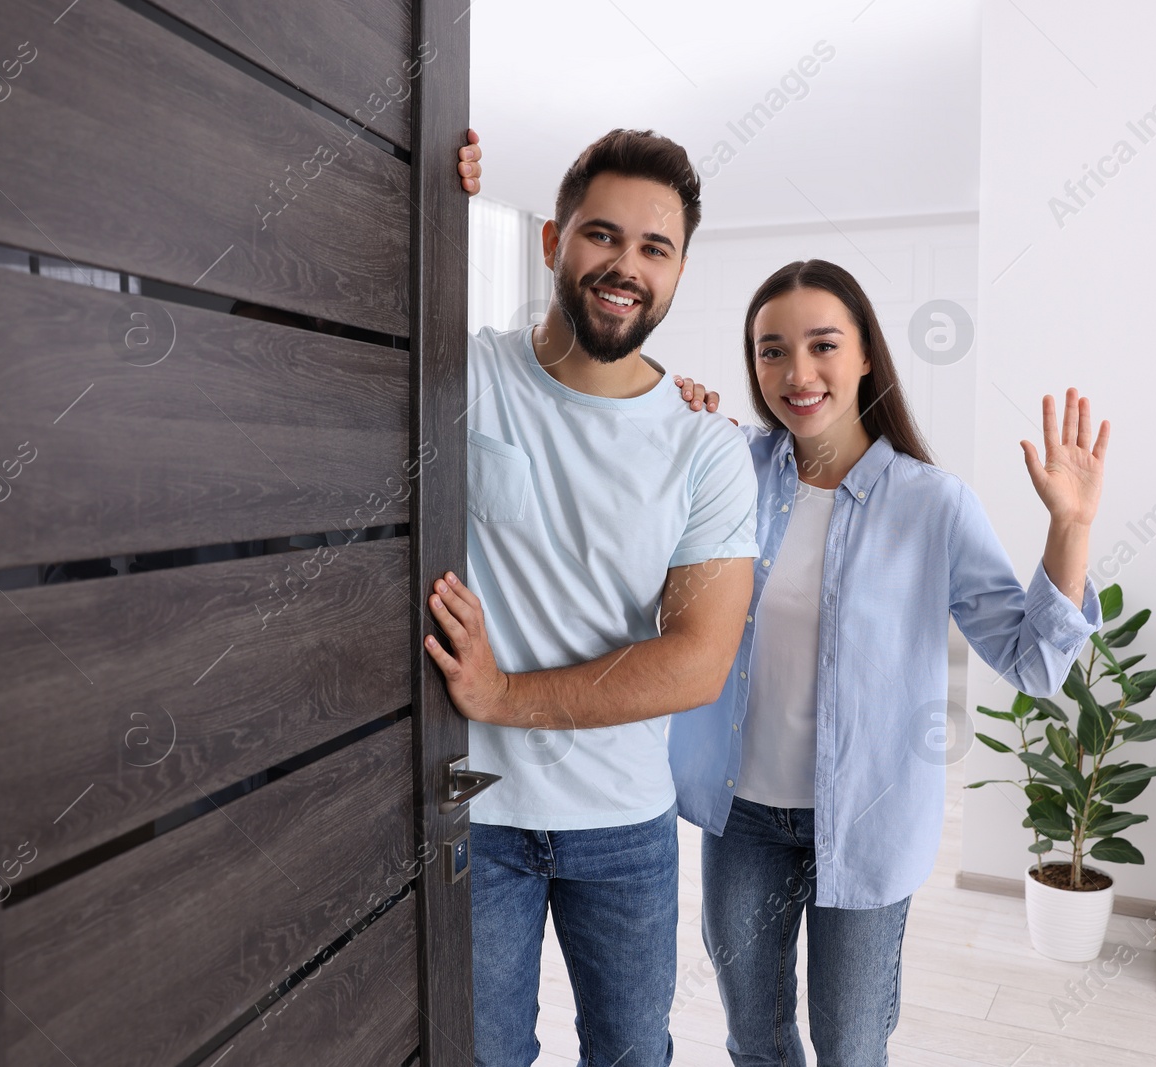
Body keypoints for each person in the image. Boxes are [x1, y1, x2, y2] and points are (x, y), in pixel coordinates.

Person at [666, 259, 1109, 1066]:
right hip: (744, 820)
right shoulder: (731, 469)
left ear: (866, 352)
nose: (797, 373)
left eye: (822, 345)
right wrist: (680, 419)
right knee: (754, 1039)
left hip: (865, 826)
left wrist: (1070, 528)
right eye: (771, 351)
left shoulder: (932, 502)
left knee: (849, 1046)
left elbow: (1036, 664)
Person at [425, 128, 755, 1067]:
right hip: (474, 811)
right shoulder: (466, 373)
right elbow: (353, 295)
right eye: (602, 235)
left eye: (656, 248)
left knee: (630, 1055)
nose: (627, 266)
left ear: (681, 269)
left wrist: (503, 697)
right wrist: (416, 186)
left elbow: (696, 658)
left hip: (621, 820)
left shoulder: (706, 448)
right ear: (550, 239)